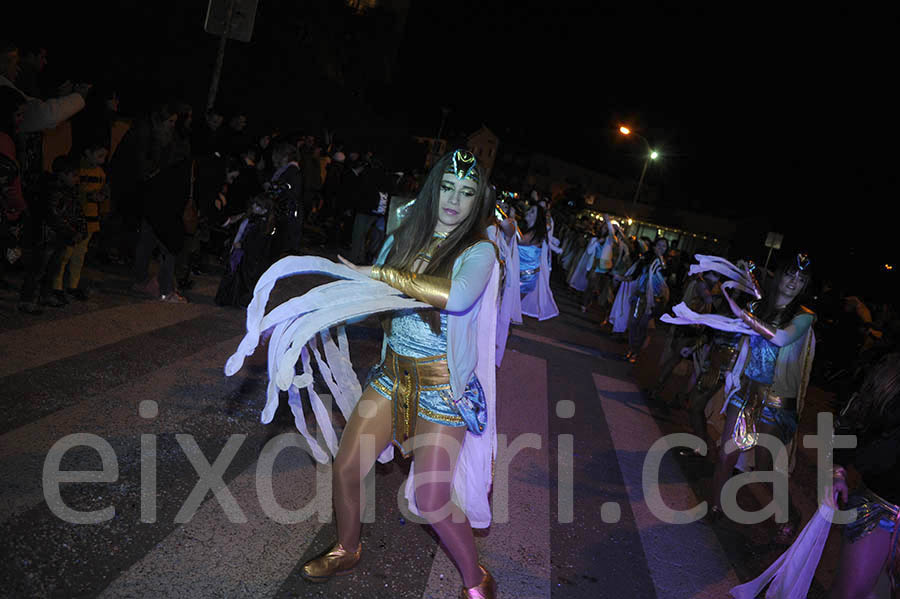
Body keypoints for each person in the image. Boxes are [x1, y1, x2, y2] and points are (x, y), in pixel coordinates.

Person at [226, 149, 500, 597]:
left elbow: (458, 296)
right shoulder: (404, 235)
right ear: (435, 188)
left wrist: (378, 272)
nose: (454, 200)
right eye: (448, 187)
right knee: (347, 467)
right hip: (392, 376)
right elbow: (371, 304)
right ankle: (347, 548)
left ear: (477, 200)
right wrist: (316, 315)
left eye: (467, 192)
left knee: (431, 500)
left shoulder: (479, 249)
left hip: (443, 387)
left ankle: (477, 579)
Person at [827, 352, 900, 598]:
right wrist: (838, 471)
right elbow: (851, 423)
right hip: (881, 508)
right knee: (851, 593)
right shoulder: (890, 377)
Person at [624, 236, 670, 363]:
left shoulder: (664, 264)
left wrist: (661, 259)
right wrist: (621, 278)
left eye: (664, 246)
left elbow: (665, 276)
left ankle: (636, 351)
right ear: (654, 246)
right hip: (640, 296)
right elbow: (634, 276)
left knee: (643, 325)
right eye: (659, 245)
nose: (661, 248)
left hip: (653, 300)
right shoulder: (645, 260)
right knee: (633, 323)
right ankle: (632, 348)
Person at [518, 202, 559, 320]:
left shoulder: (534, 235)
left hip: (524, 278)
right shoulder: (529, 230)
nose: (528, 213)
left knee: (508, 306)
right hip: (522, 275)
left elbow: (513, 239)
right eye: (529, 210)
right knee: (508, 305)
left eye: (532, 212)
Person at [268, 141, 303, 258]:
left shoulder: (291, 171)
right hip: (286, 211)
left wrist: (275, 190)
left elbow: (291, 192)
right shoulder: (289, 170)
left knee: (281, 244)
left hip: (286, 212)